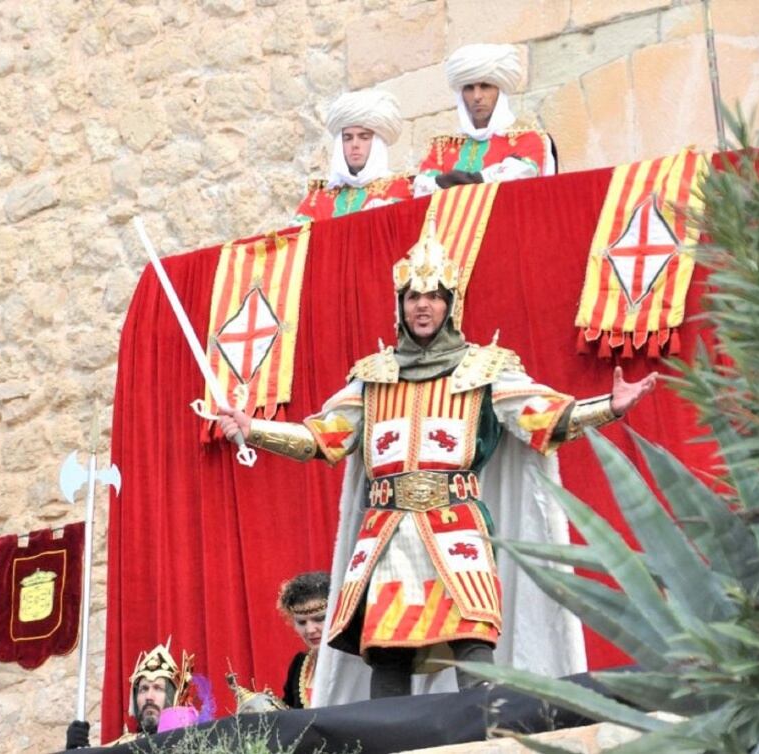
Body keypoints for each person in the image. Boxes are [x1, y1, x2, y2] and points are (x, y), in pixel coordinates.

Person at [218, 227, 656, 699]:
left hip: (457, 526)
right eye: (412, 297)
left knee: (472, 639)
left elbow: (545, 417)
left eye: (432, 296)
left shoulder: (484, 368)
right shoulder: (373, 377)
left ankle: (487, 742)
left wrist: (608, 407)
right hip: (387, 531)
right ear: (399, 305)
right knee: (387, 648)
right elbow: (321, 436)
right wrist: (254, 429)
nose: (421, 306)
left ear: (450, 304)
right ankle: (388, 747)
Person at [412, 43, 556, 197]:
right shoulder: (442, 148)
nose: (477, 96)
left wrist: (455, 181)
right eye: (469, 88)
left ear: (500, 92)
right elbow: (421, 188)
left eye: (485, 86)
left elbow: (519, 174)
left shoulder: (528, 138)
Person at [294, 89, 413, 223]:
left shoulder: (401, 187)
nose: (355, 144)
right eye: (348, 138)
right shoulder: (318, 198)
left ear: (377, 143)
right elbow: (293, 237)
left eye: (364, 137)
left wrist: (388, 213)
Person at [65, 642, 192, 749]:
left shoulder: (191, 740)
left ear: (175, 696)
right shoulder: (122, 747)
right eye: (143, 689)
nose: (149, 696)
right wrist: (76, 750)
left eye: (158, 688)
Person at [278, 571, 329, 709]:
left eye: (319, 619)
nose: (310, 630)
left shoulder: (356, 663)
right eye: (301, 622)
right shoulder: (299, 665)